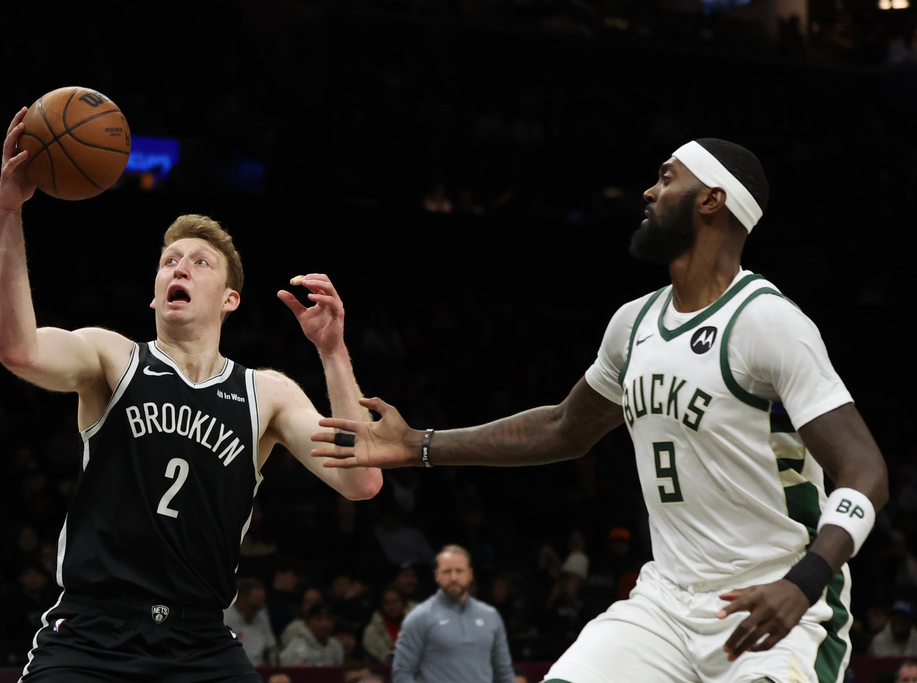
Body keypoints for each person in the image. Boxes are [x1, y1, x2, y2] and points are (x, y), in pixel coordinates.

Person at [313, 139, 890, 683]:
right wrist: (418, 444)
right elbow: (565, 426)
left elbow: (865, 472)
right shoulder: (633, 324)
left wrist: (805, 580)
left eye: (667, 178)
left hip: (775, 602)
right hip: (665, 602)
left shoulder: (768, 322)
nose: (648, 192)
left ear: (712, 198)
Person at [0, 107, 382, 682]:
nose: (181, 267)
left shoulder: (266, 393)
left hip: (200, 641)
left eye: (200, 262)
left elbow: (361, 479)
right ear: (155, 294)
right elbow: (19, 350)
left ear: (228, 299)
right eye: (169, 260)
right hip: (93, 633)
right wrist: (8, 213)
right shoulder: (112, 358)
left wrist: (331, 352)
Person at [390, 545, 513, 683]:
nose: (454, 577)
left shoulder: (491, 616)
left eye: (459, 571)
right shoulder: (419, 617)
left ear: (470, 574)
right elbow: (402, 673)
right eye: (447, 571)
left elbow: (504, 673)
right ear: (437, 575)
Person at [223, 577, 278, 667]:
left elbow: (271, 648)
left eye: (259, 607)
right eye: (252, 607)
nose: (255, 611)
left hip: (258, 670)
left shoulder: (261, 614)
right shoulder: (224, 617)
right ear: (239, 600)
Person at [278, 602, 343, 666]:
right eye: (319, 619)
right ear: (307, 623)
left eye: (329, 619)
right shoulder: (297, 649)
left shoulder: (335, 646)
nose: (325, 624)